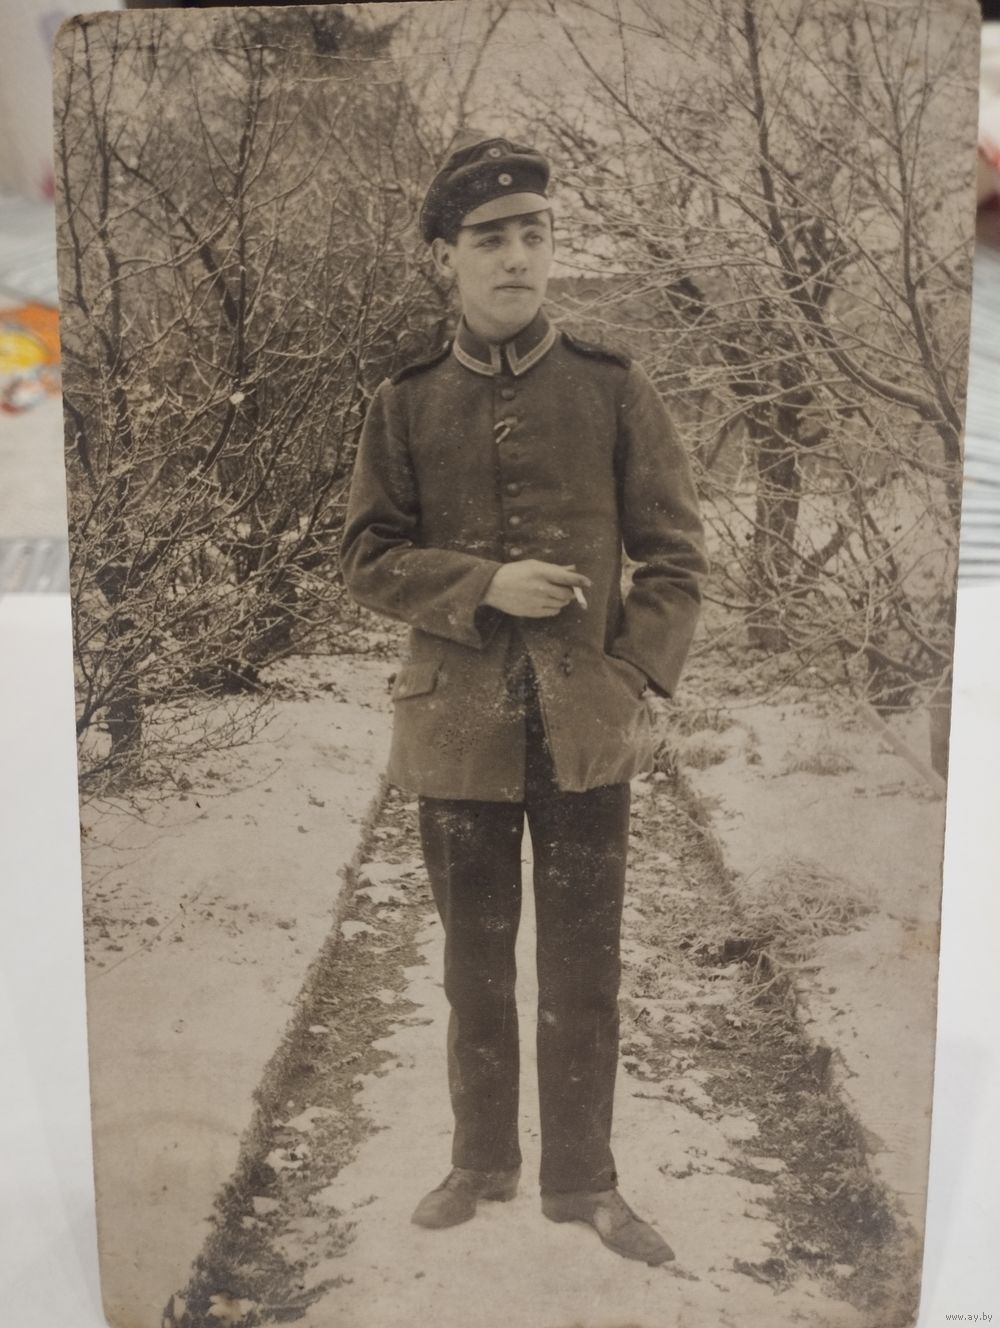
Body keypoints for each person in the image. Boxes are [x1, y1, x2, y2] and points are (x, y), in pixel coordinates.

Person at [340, 130, 707, 1266]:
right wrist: (481, 585)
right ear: (444, 256)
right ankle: (482, 1160)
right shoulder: (404, 401)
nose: (516, 257)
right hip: (455, 725)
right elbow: (365, 556)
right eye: (490, 237)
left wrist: (632, 676)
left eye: (533, 234)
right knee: (474, 964)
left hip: (585, 731)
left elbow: (676, 559)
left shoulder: (613, 387)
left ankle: (583, 1179)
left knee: (585, 967)